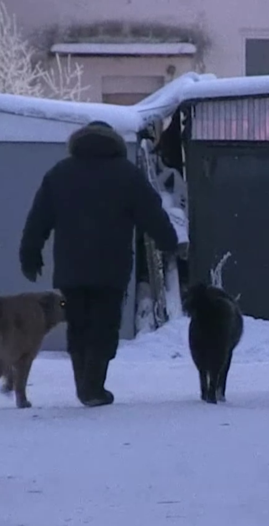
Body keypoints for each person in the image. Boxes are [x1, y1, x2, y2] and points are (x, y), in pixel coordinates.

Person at [19, 120, 182, 407]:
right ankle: (93, 387)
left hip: (71, 269)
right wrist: (169, 242)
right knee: (104, 326)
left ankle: (85, 384)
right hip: (112, 268)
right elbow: (152, 214)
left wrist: (30, 254)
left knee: (78, 325)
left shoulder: (60, 173)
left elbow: (38, 218)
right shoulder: (127, 175)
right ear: (114, 144)